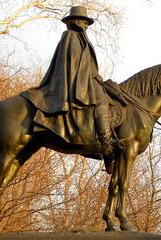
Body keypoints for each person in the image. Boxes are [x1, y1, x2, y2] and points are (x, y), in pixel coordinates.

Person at [21, 6, 116, 173]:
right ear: (77, 21)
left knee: (106, 95)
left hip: (83, 79)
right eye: (84, 22)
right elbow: (77, 64)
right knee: (101, 100)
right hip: (74, 82)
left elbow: (86, 64)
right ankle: (106, 142)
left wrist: (98, 77)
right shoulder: (71, 37)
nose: (86, 25)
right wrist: (94, 77)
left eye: (87, 23)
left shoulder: (78, 37)